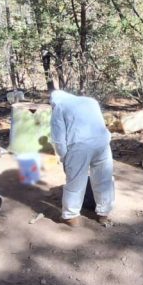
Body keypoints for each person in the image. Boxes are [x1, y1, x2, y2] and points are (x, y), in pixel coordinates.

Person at [50, 90, 115, 226]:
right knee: (104, 179)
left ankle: (71, 217)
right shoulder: (91, 101)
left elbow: (59, 139)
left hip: (79, 145)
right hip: (102, 142)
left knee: (75, 182)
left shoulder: (59, 107)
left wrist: (64, 157)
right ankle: (104, 213)